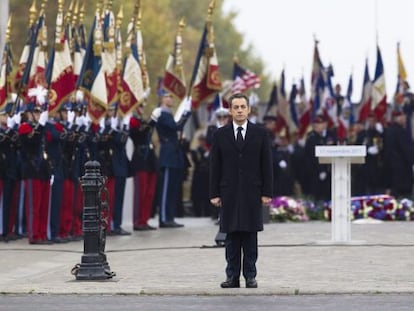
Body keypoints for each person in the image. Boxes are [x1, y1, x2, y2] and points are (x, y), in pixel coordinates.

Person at [209, 93, 273, 289]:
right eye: (235, 107)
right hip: (228, 192)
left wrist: (267, 192)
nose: (239, 110)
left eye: (242, 107)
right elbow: (215, 166)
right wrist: (214, 193)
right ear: (230, 110)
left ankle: (250, 276)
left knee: (250, 236)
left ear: (248, 109)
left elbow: (266, 165)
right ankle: (232, 276)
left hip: (252, 192)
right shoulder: (220, 135)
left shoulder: (260, 133)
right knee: (231, 237)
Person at [152, 90, 191, 228]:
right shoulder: (161, 113)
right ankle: (163, 218)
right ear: (162, 99)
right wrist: (186, 114)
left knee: (173, 189)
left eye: (170, 96)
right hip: (168, 155)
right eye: (167, 96)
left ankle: (170, 217)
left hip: (174, 154)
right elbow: (175, 126)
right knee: (166, 189)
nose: (170, 99)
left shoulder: (169, 114)